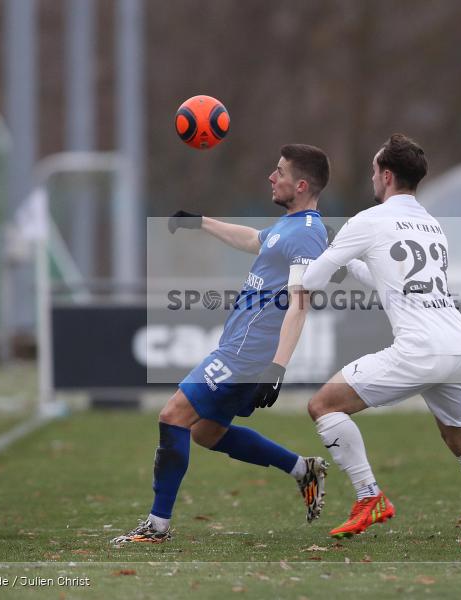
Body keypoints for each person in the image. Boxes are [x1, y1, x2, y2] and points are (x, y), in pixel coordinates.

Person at [301, 134, 461, 539]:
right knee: (459, 437)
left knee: (323, 405)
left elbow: (313, 279)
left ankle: (369, 496)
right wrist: (348, 266)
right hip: (459, 345)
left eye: (374, 171)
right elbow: (387, 282)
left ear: (387, 175)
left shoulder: (370, 220)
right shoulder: (431, 225)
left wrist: (307, 265)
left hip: (420, 348)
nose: (372, 178)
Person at [112, 144, 332, 544]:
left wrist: (276, 368)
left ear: (300, 185)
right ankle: (303, 469)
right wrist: (201, 222)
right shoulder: (289, 226)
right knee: (206, 433)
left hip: (246, 355)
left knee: (172, 415)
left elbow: (300, 304)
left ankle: (157, 527)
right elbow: (253, 240)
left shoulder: (307, 235)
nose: (271, 177)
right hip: (243, 350)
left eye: (279, 172)